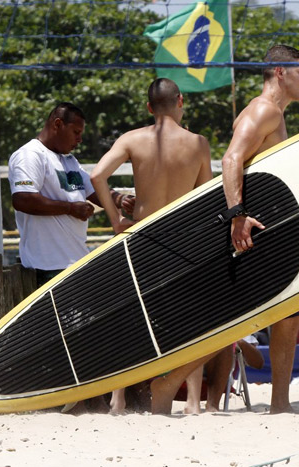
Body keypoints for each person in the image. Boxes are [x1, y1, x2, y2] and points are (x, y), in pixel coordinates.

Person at [90, 78, 212, 414]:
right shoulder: (198, 143)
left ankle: (117, 400)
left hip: (141, 237)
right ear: (180, 101)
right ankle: (191, 403)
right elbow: (203, 198)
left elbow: (98, 175)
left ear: (148, 107)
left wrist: (116, 220)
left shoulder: (132, 139)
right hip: (181, 239)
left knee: (128, 318)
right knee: (190, 319)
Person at [222, 44, 299, 414]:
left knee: (289, 316)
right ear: (279, 72)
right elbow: (231, 159)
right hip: (254, 226)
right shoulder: (264, 110)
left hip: (267, 225)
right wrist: (236, 215)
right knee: (270, 316)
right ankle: (278, 403)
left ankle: (280, 403)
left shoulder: (271, 113)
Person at [8, 102, 133, 287]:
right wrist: (70, 208)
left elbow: (95, 189)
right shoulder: (30, 155)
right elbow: (22, 199)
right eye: (76, 132)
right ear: (57, 124)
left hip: (74, 264)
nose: (80, 139)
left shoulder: (69, 161)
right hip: (48, 268)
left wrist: (121, 199)